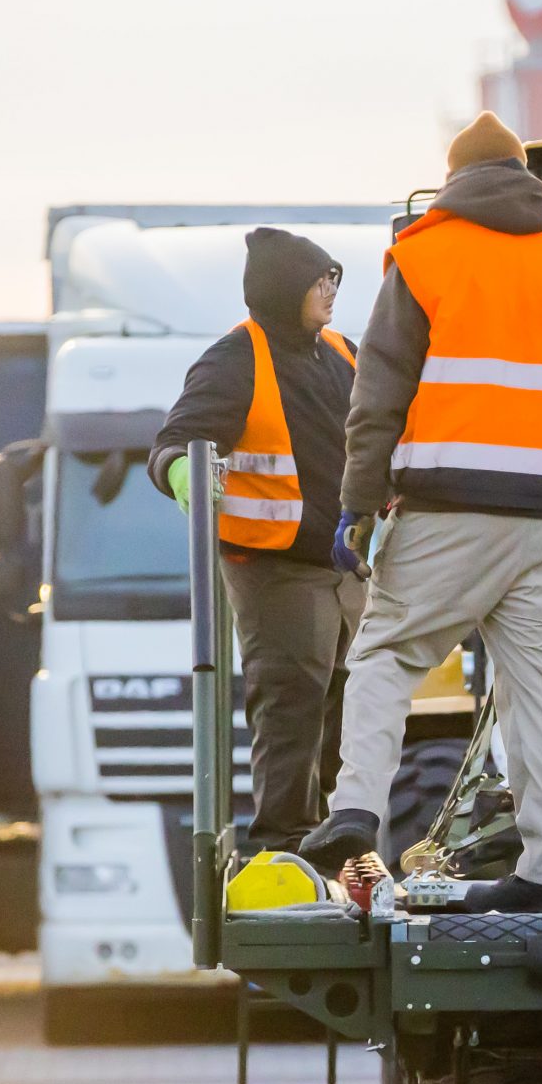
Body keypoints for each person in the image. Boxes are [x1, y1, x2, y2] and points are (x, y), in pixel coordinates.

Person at [299, 112, 542, 913]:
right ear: (531, 182)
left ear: (452, 183)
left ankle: (356, 812)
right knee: (539, 693)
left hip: (447, 507)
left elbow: (376, 401)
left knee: (385, 655)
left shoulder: (424, 259)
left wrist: (355, 510)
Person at [146, 229, 362, 851]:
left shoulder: (344, 353)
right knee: (294, 701)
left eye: (334, 279)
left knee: (351, 703)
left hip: (346, 563)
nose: (330, 291)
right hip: (272, 565)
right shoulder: (234, 359)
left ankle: (334, 837)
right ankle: (284, 842)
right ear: (283, 288)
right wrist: (182, 471)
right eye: (320, 280)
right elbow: (171, 443)